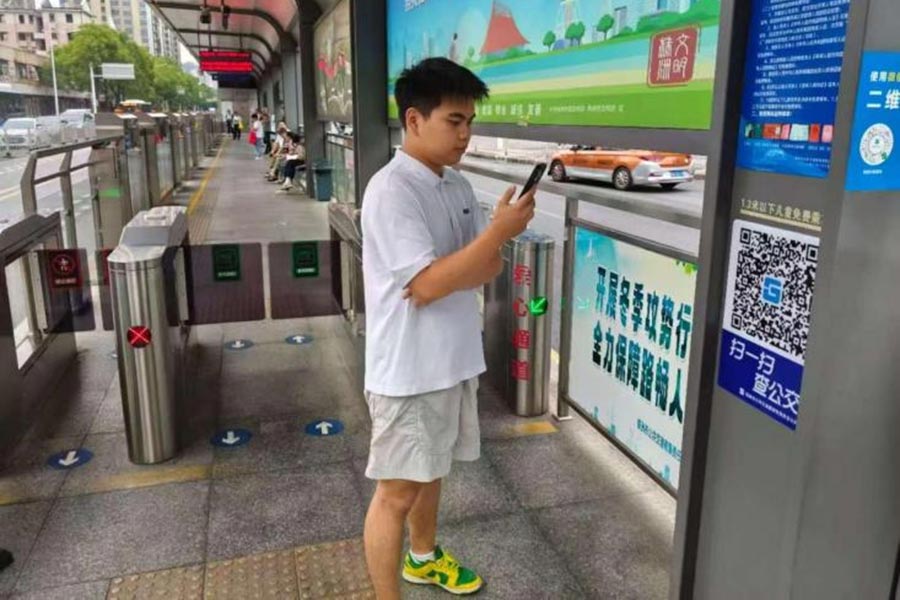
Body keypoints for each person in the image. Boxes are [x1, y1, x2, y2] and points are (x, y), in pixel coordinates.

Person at [360, 57, 535, 599]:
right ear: (414, 120)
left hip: (452, 360)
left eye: (469, 122)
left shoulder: (456, 184)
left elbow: (487, 267)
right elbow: (428, 285)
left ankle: (422, 557)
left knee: (431, 471)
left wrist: (486, 245)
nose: (465, 134)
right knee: (395, 493)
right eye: (454, 121)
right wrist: (496, 235)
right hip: (410, 371)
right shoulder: (391, 191)